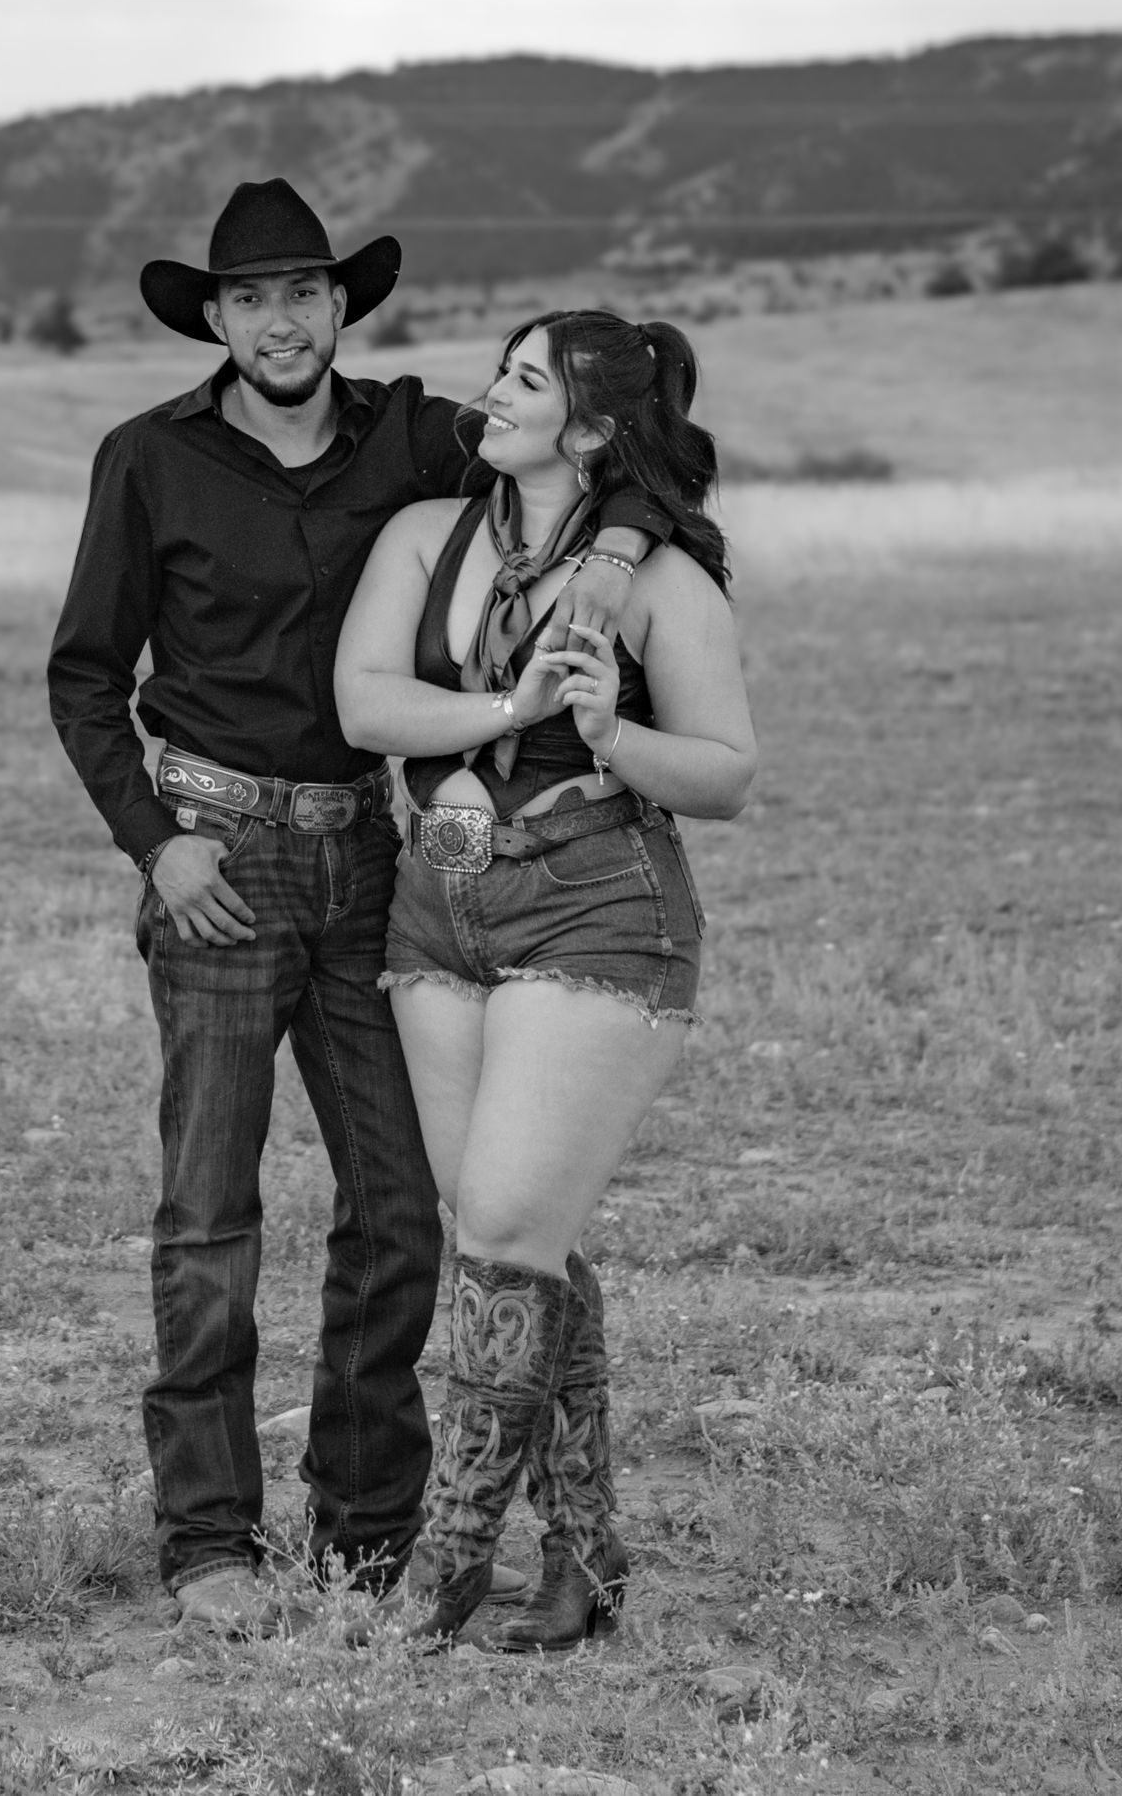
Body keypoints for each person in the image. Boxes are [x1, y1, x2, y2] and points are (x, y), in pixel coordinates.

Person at [47, 184, 670, 1637]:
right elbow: (84, 676)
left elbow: (596, 449)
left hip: (365, 862)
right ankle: (208, 1538)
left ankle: (368, 1533)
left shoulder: (411, 433)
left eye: (308, 293)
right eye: (253, 295)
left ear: (345, 305)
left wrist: (630, 549)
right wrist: (157, 843)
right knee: (210, 1213)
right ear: (214, 315)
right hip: (216, 858)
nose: (283, 318)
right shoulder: (148, 459)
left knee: (398, 1207)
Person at [333, 309, 756, 1649]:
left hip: (596, 898)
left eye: (527, 381)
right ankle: (584, 1550)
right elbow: (364, 705)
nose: (492, 394)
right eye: (502, 370)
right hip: (436, 898)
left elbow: (729, 773)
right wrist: (505, 714)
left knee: (505, 1223)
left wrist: (606, 729)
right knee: (517, 1235)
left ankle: (450, 1561)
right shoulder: (424, 534)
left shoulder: (657, 580)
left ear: (590, 428)